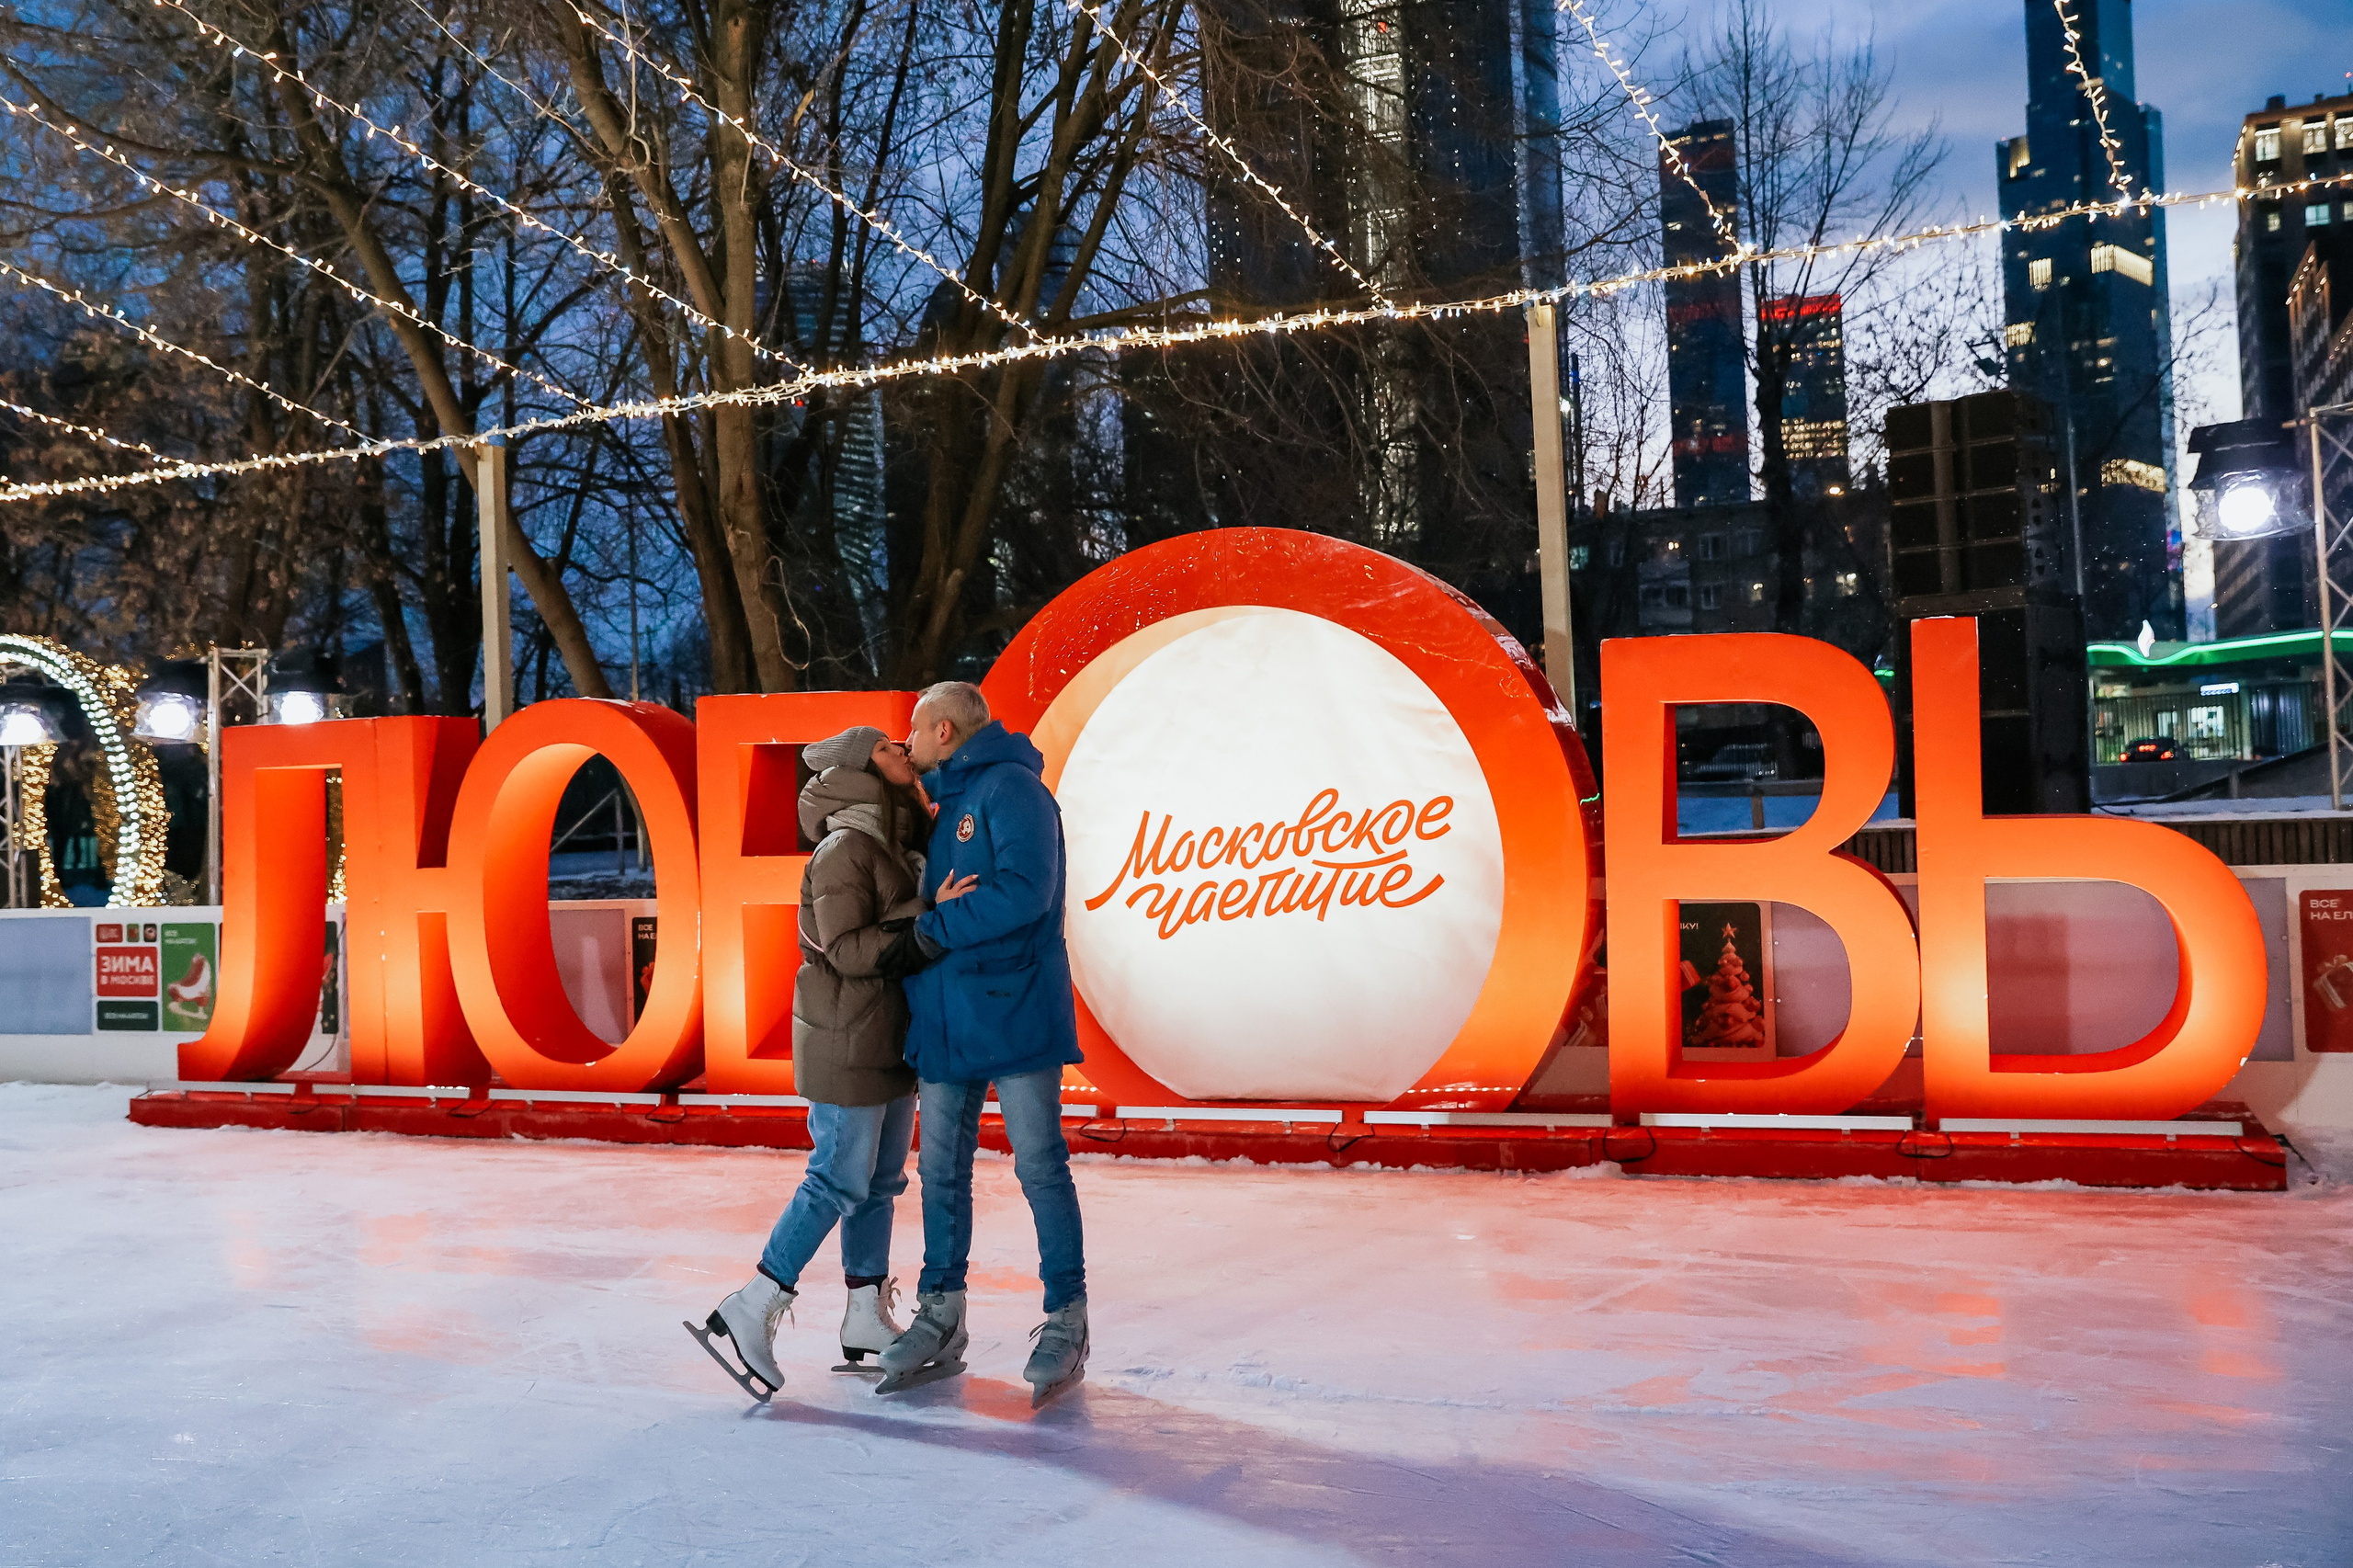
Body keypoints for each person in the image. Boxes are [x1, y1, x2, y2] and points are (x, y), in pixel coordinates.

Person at [688, 725, 933, 1402]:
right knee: (836, 1179)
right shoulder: (843, 850)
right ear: (860, 768)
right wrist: (932, 917)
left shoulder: (895, 846)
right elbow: (850, 951)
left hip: (889, 1041)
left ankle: (863, 1313)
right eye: (889, 748)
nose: (903, 753)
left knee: (881, 1182)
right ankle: (752, 1302)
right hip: (846, 1038)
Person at [876, 681, 1090, 1406]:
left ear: (944, 728)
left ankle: (1067, 1316)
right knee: (941, 1173)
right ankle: (942, 1311)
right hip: (948, 1015)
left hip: (1014, 1010)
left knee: (1039, 1167)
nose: (906, 742)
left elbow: (1026, 892)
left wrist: (934, 931)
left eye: (914, 731)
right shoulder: (950, 800)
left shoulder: (1012, 791)